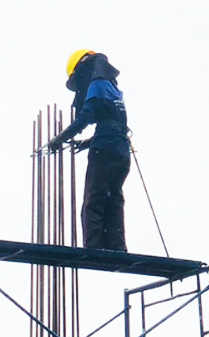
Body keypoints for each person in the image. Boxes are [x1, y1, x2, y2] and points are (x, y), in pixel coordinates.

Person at [47, 49, 131, 252]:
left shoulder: (97, 84)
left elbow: (84, 118)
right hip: (121, 153)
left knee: (94, 199)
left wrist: (60, 138)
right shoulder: (112, 89)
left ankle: (94, 246)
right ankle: (117, 247)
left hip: (104, 151)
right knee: (113, 200)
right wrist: (87, 143)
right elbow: (114, 125)